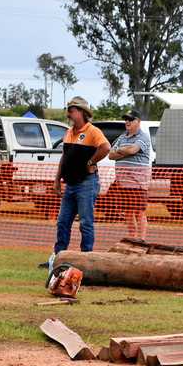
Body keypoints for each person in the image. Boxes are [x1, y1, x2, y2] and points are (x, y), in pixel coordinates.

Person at [52, 96, 109, 256]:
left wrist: (91, 161)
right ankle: (58, 256)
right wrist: (57, 179)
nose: (68, 114)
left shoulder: (93, 131)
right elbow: (64, 157)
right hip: (70, 184)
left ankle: (86, 257)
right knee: (62, 222)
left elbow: (105, 147)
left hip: (86, 183)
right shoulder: (69, 132)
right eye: (68, 111)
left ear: (82, 112)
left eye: (72, 110)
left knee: (85, 223)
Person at [106, 110, 152, 242]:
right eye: (126, 119)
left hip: (138, 183)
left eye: (130, 119)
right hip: (123, 182)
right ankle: (132, 239)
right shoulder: (122, 137)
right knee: (128, 212)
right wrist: (124, 151)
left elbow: (133, 150)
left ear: (138, 121)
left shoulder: (143, 137)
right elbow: (110, 154)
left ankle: (141, 240)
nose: (127, 122)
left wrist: (120, 150)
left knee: (139, 212)